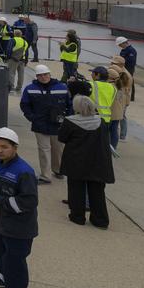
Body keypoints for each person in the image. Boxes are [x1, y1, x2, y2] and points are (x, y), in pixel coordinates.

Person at [0, 127, 38, 288]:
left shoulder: (24, 172)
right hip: (0, 222)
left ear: (15, 148)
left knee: (14, 260)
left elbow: (29, 202)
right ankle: (3, 277)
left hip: (18, 227)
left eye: (4, 147)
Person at [59, 95, 113, 229]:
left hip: (76, 160)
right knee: (98, 192)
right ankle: (100, 219)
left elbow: (62, 138)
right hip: (98, 160)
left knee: (76, 189)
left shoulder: (70, 122)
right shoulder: (101, 122)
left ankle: (77, 216)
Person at [19, 64, 70, 183]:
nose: (43, 77)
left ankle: (58, 170)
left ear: (50, 74)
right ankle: (46, 176)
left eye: (45, 74)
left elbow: (69, 104)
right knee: (44, 150)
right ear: (36, 76)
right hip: (40, 125)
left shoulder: (62, 87)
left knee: (58, 149)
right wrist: (32, 117)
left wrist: (66, 118)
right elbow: (25, 105)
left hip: (58, 124)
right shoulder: (30, 89)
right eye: (40, 75)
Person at [87, 66, 118, 155]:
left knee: (92, 144)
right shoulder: (113, 88)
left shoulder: (91, 85)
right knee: (102, 143)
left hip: (94, 118)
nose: (91, 74)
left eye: (93, 73)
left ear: (98, 75)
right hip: (107, 119)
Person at [107, 56, 133, 144]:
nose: (111, 64)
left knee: (121, 118)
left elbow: (125, 90)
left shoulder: (124, 75)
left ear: (121, 64)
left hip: (122, 100)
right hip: (122, 100)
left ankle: (123, 135)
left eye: (114, 63)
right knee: (118, 119)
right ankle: (121, 136)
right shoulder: (120, 73)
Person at [116, 37, 137, 102]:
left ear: (124, 43)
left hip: (129, 68)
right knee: (122, 81)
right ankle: (123, 94)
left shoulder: (131, 50)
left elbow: (131, 61)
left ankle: (131, 97)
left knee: (130, 81)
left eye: (120, 45)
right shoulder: (124, 50)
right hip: (123, 67)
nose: (119, 46)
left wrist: (122, 61)